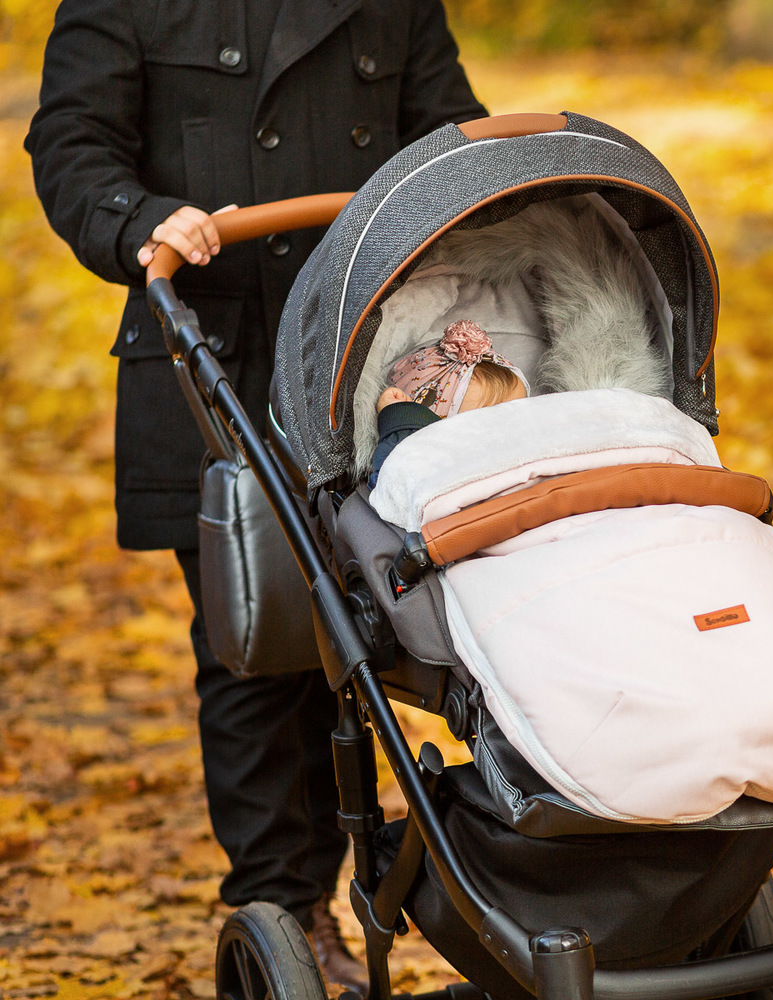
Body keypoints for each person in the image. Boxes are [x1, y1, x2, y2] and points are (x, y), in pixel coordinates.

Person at [24, 1, 488, 993]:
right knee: (261, 649)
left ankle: (510, 858)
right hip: (214, 363)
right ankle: (290, 906)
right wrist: (137, 216)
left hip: (370, 358)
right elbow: (70, 142)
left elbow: (446, 134)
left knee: (447, 612)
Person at [371, 320, 531, 483]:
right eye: (486, 425)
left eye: (514, 417)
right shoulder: (443, 472)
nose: (506, 435)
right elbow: (398, 476)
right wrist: (401, 421)